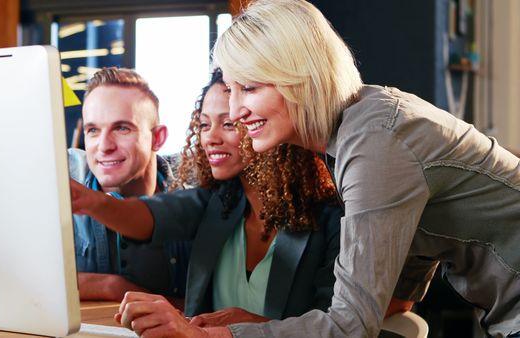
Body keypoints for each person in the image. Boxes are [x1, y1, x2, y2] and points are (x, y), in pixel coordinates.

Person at [127, 0, 520, 337]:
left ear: (300, 76)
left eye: (250, 88)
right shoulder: (359, 130)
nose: (234, 111)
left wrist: (211, 334)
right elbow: (397, 295)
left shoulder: (376, 142)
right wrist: (252, 326)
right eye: (231, 88)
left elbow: (351, 327)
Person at [70, 69, 343, 335]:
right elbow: (151, 215)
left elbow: (340, 327)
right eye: (203, 124)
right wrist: (91, 201)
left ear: (262, 123)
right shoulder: (217, 202)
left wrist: (248, 327)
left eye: (228, 124)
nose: (210, 138)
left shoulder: (332, 218)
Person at [69, 67, 190, 303]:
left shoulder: (193, 201)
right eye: (93, 130)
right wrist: (109, 286)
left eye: (122, 128)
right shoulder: (62, 181)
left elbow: (206, 310)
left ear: (158, 138)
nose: (104, 146)